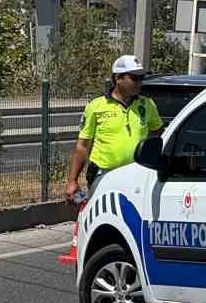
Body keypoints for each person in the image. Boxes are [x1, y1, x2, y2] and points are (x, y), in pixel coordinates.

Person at [65, 55, 164, 202]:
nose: (139, 83)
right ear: (118, 78)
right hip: (104, 176)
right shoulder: (96, 106)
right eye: (134, 78)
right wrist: (72, 181)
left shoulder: (147, 104)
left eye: (141, 78)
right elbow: (82, 146)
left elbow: (158, 134)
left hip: (137, 177)